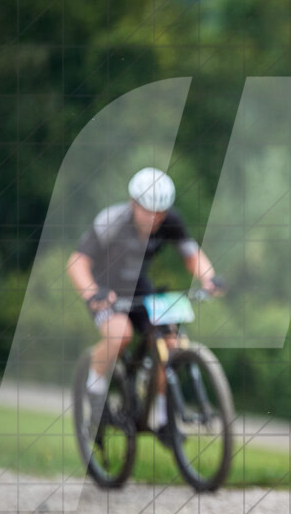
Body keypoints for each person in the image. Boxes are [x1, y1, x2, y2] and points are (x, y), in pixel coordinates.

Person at [67, 167, 224, 445]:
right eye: (148, 210)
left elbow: (191, 255)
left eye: (160, 212)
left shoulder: (170, 221)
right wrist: (93, 292)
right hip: (106, 289)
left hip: (140, 288)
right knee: (120, 335)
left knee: (170, 340)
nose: (154, 218)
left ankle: (164, 419)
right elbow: (77, 263)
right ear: (133, 203)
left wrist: (209, 277)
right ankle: (95, 388)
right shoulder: (111, 221)